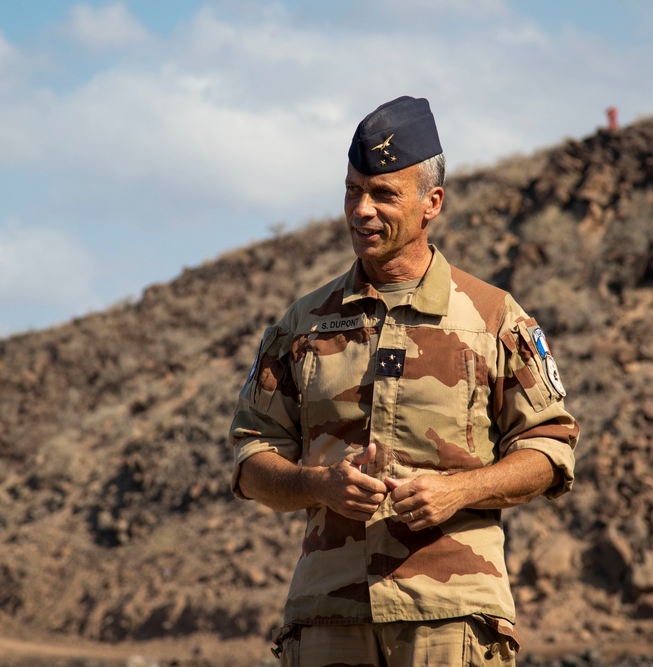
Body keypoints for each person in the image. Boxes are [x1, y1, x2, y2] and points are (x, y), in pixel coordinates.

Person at [229, 96, 579, 665]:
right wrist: (318, 485)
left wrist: (459, 490)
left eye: (383, 194)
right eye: (352, 190)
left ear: (430, 203)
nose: (361, 210)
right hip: (328, 616)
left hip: (452, 618)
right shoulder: (301, 325)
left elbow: (551, 445)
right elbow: (250, 458)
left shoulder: (493, 318)